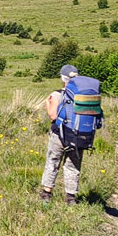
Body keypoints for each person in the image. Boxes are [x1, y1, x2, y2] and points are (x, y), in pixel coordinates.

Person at [40, 64, 83, 203]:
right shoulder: (84, 94)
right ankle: (71, 197)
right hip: (79, 135)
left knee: (53, 161)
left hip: (60, 134)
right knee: (73, 164)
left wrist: (47, 103)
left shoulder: (58, 94)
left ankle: (46, 194)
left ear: (62, 77)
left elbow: (53, 115)